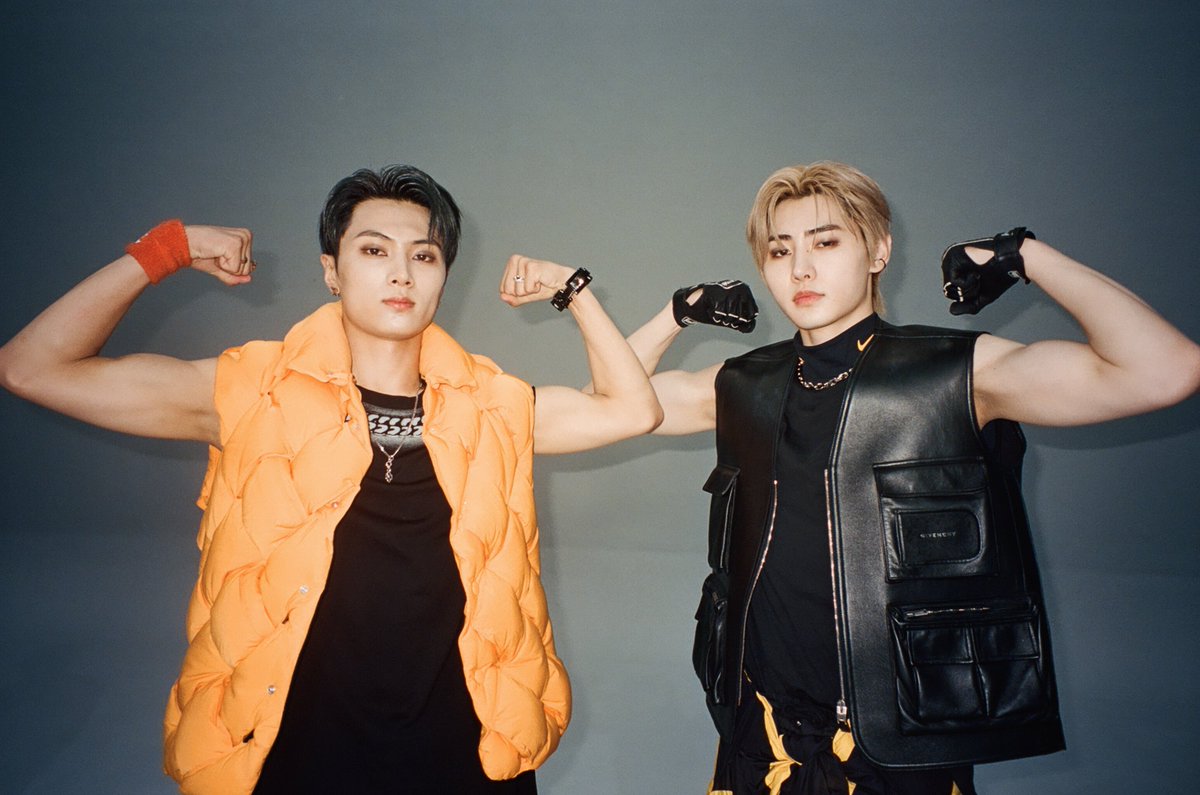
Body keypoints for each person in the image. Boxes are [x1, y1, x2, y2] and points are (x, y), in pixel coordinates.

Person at [0, 165, 662, 794]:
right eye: (373, 250)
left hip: (467, 743)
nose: (401, 272)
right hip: (296, 743)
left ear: (443, 277)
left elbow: (633, 409)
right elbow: (30, 367)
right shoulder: (252, 390)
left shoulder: (493, 406)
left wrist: (573, 291)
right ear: (331, 271)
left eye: (425, 255)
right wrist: (164, 251)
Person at [622, 161, 1200, 795]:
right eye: (780, 250)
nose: (801, 269)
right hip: (762, 739)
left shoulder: (955, 371)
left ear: (879, 251)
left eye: (825, 242)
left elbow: (1165, 371)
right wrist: (675, 313)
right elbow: (617, 404)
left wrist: (1026, 257)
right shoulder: (742, 384)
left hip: (902, 743)